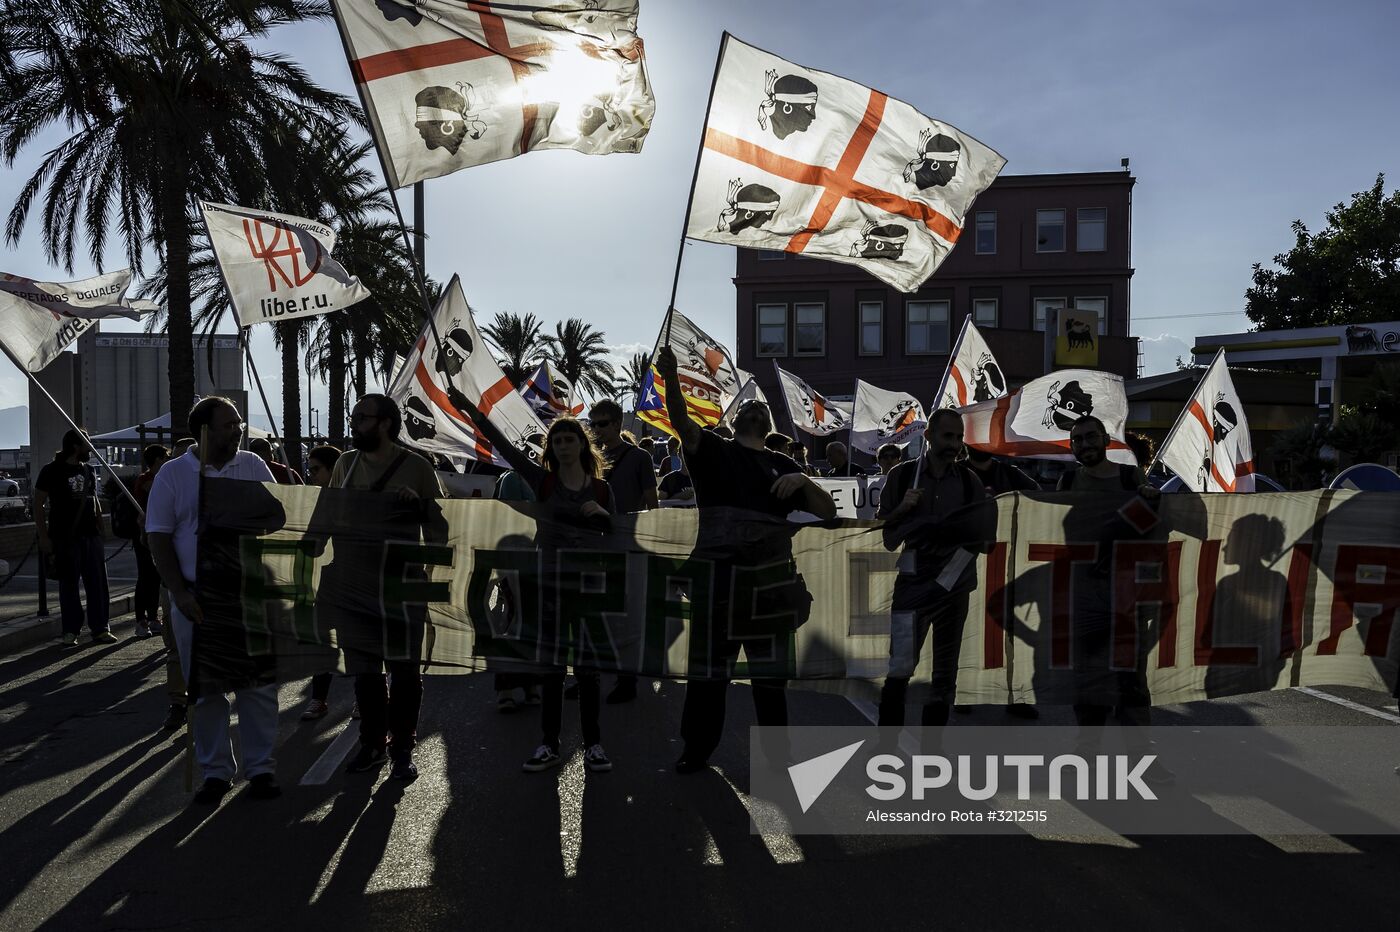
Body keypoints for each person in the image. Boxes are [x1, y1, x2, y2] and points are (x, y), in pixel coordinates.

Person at [656, 345, 836, 773]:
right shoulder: (713, 452)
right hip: (719, 586)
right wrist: (671, 379)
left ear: (768, 424)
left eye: (760, 409)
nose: (754, 410)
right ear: (735, 421)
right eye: (748, 408)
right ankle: (696, 750)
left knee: (769, 680)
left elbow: (827, 511)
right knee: (708, 676)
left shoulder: (781, 465)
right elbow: (682, 422)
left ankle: (776, 756)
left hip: (770, 589)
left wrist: (801, 477)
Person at [459, 401, 618, 774]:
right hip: (548, 587)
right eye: (557, 441)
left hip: (588, 588)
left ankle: (594, 745)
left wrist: (604, 518)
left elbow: (619, 538)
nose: (563, 446)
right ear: (551, 449)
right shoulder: (544, 483)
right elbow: (509, 450)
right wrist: (474, 413)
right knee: (550, 669)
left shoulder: (602, 489)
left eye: (569, 439)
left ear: (582, 444)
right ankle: (549, 743)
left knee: (588, 670)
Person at [145, 397, 280, 804]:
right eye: (228, 425)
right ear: (204, 430)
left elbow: (277, 518)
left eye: (238, 423)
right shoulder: (173, 475)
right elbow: (158, 537)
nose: (237, 430)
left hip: (247, 594)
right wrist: (179, 593)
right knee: (205, 690)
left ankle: (261, 769)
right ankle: (216, 773)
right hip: (196, 599)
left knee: (257, 685)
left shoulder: (253, 466)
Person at [333, 394, 446, 782]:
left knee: (404, 673)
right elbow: (326, 519)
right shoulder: (345, 465)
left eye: (361, 417)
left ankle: (402, 749)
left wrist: (417, 508)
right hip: (355, 584)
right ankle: (371, 745)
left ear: (384, 423)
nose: (355, 423)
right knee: (364, 672)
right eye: (354, 416)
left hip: (403, 584)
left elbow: (440, 530)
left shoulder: (416, 467)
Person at [876, 410, 992, 728]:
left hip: (953, 592)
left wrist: (948, 578)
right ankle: (886, 749)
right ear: (928, 436)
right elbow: (885, 538)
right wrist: (902, 509)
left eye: (958, 437)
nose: (954, 443)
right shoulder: (901, 477)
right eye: (947, 436)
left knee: (944, 676)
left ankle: (932, 754)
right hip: (911, 586)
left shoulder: (970, 482)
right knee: (899, 670)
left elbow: (980, 542)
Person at [587, 398, 658, 704]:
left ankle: (626, 679)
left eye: (602, 423)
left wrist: (655, 542)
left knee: (626, 615)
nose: (597, 430)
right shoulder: (590, 457)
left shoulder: (639, 457)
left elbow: (652, 502)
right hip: (595, 542)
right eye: (593, 424)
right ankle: (588, 675)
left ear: (617, 424)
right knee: (594, 614)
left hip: (628, 544)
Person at [35, 429, 115, 647]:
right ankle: (71, 630)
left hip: (91, 536)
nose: (90, 446)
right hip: (64, 537)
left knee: (98, 584)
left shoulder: (88, 470)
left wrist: (101, 527)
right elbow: (38, 504)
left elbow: (93, 499)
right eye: (87, 442)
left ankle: (100, 628)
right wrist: (43, 536)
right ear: (75, 445)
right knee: (69, 585)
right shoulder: (51, 471)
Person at [300, 445, 343, 722]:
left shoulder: (362, 494)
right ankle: (319, 698)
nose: (311, 475)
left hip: (363, 578)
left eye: (316, 469)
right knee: (323, 640)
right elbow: (314, 544)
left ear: (332, 469)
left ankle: (367, 698)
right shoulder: (326, 497)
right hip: (336, 575)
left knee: (360, 641)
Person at [131, 444, 171, 639]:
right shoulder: (146, 479)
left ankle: (154, 617)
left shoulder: (160, 478)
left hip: (158, 533)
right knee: (145, 577)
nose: (168, 460)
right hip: (144, 535)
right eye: (165, 457)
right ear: (157, 460)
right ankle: (141, 620)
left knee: (156, 577)